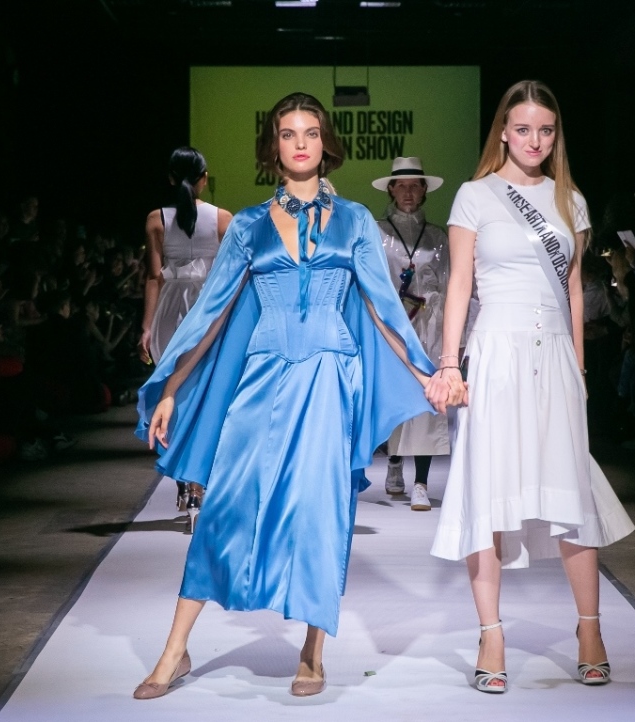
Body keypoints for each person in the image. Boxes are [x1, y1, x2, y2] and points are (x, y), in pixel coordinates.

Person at [133, 92, 436, 699]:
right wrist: (171, 387)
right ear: (273, 146)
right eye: (288, 133)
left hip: (330, 377)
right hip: (262, 376)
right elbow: (212, 313)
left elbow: (384, 309)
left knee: (321, 511)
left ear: (326, 143)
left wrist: (427, 373)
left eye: (311, 132)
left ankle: (312, 651)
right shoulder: (247, 225)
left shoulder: (354, 220)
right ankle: (175, 650)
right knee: (225, 505)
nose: (300, 143)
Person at [426, 80, 635, 693]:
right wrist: (450, 363)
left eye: (545, 130)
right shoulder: (475, 196)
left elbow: (573, 290)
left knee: (570, 491)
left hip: (556, 356)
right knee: (487, 490)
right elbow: (459, 283)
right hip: (495, 351)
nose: (534, 140)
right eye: (522, 129)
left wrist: (580, 370)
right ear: (503, 132)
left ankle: (590, 629)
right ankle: (491, 634)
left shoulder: (570, 199)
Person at [139, 147, 233, 518]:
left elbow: (154, 277)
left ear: (170, 178)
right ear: (204, 179)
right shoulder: (224, 219)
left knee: (173, 393)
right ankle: (196, 484)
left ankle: (184, 480)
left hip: (169, 312)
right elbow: (230, 278)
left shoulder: (156, 219)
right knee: (204, 394)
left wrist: (147, 327)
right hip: (207, 311)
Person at [371, 156, 451, 510]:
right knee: (393, 395)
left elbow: (449, 285)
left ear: (424, 191)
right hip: (390, 325)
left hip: (428, 325)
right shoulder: (377, 233)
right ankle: (393, 461)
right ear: (391, 189)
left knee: (428, 400)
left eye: (414, 186)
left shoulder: (437, 237)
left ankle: (421, 482)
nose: (408, 192)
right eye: (401, 185)